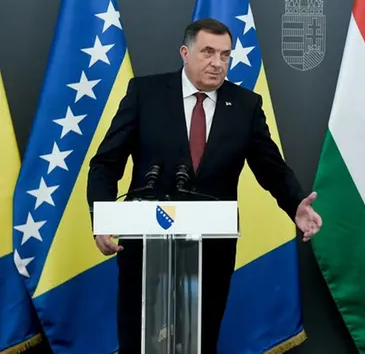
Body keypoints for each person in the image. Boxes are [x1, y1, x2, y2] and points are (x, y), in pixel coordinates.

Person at [87, 18, 322, 353]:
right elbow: (105, 163)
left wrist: (295, 202)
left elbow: (271, 168)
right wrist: (103, 218)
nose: (217, 62)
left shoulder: (245, 105)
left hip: (210, 252)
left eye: (225, 55)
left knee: (200, 342)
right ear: (185, 52)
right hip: (144, 249)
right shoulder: (146, 94)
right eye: (208, 52)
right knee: (138, 342)